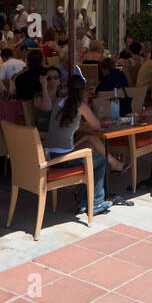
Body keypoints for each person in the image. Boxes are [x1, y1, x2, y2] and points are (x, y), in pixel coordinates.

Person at [45, 76, 116, 214]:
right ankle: (96, 202)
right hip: (62, 159)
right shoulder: (81, 105)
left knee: (89, 147)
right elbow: (96, 125)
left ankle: (83, 201)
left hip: (49, 155)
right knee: (100, 160)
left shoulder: (60, 101)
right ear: (83, 90)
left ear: (68, 88)